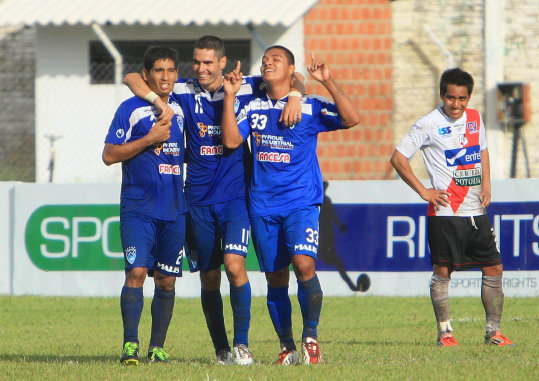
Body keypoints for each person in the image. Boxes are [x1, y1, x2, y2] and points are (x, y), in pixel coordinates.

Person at [123, 35, 304, 365]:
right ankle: (221, 349)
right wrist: (157, 100)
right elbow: (131, 77)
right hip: (196, 201)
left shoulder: (247, 86)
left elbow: (293, 76)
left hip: (236, 199)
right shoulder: (182, 90)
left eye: (208, 62)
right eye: (197, 62)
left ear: (222, 63)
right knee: (209, 277)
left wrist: (296, 94)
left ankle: (242, 345)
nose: (201, 68)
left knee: (235, 267)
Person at [222, 46, 360, 364]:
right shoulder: (251, 103)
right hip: (262, 206)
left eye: (277, 59)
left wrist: (326, 80)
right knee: (276, 278)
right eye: (266, 59)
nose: (268, 62)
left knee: (304, 264)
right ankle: (287, 347)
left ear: (291, 69)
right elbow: (231, 141)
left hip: (301, 202)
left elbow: (352, 119)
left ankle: (310, 338)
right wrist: (229, 97)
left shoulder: (309, 107)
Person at [390, 68, 514, 347]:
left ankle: (493, 332)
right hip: (445, 212)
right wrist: (424, 190)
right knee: (443, 272)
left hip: (476, 211)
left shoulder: (475, 118)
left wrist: (487, 184)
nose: (456, 104)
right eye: (450, 98)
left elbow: (481, 150)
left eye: (462, 98)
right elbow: (398, 158)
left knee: (494, 267)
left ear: (469, 97)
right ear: (442, 95)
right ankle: (445, 333)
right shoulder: (427, 124)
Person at [103, 46, 189, 364]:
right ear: (147, 75)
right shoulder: (131, 108)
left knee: (166, 279)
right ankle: (130, 345)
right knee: (137, 272)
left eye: (170, 71)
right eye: (158, 71)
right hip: (138, 208)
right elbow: (109, 155)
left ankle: (157, 348)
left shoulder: (183, 106)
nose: (165, 77)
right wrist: (149, 139)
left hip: (174, 210)